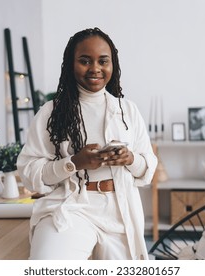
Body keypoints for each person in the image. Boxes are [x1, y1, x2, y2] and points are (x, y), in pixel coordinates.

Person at [17, 27, 157, 260]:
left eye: (103, 61)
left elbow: (147, 170)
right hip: (71, 208)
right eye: (85, 61)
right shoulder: (51, 112)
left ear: (113, 65)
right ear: (71, 65)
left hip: (119, 211)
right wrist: (74, 163)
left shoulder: (127, 111)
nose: (95, 68)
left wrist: (130, 159)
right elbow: (29, 173)